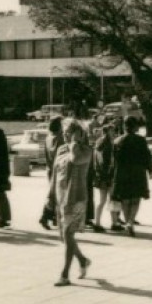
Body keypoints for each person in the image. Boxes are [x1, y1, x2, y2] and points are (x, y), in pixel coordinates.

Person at [52, 120, 94, 285]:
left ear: (80, 134)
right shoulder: (62, 149)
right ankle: (83, 260)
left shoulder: (85, 150)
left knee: (68, 234)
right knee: (65, 237)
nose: (65, 135)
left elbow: (75, 159)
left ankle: (64, 275)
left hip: (76, 197)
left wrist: (75, 142)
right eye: (65, 132)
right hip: (61, 196)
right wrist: (50, 196)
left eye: (69, 132)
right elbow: (55, 174)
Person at [111, 116, 152, 237]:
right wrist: (150, 170)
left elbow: (114, 161)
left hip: (122, 172)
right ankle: (130, 221)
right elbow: (147, 155)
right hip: (138, 172)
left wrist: (113, 174)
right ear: (135, 127)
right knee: (136, 198)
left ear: (124, 126)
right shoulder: (141, 140)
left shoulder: (117, 141)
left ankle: (127, 220)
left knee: (125, 198)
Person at [90, 118, 117, 233]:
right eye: (112, 131)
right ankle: (112, 223)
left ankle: (100, 222)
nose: (114, 133)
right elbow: (107, 161)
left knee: (104, 200)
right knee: (109, 199)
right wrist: (109, 174)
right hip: (107, 176)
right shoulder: (107, 144)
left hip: (101, 176)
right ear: (107, 132)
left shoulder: (99, 143)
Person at [38, 116, 64, 230]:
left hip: (50, 168)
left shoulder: (48, 137)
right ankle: (45, 216)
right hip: (59, 169)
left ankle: (54, 218)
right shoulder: (60, 138)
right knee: (56, 195)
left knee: (54, 194)